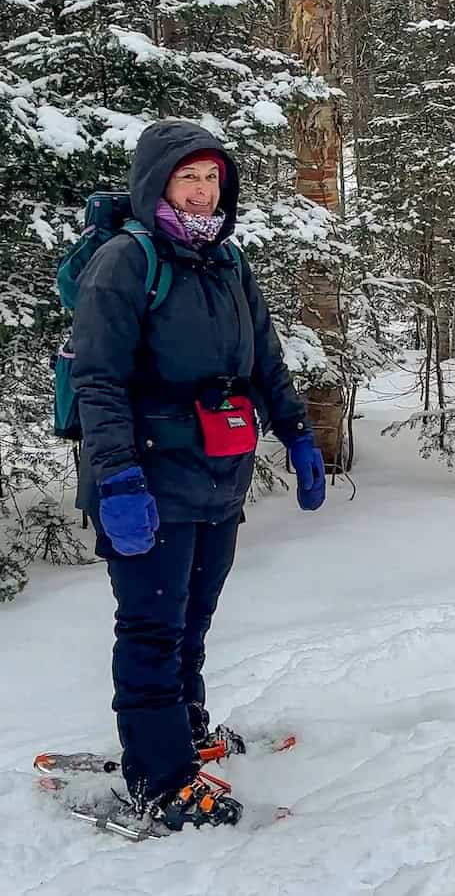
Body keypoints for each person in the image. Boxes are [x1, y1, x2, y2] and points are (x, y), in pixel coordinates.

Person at [71, 120, 326, 830]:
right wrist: (117, 479)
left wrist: (298, 436)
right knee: (152, 629)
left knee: (192, 621)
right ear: (157, 182)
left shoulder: (227, 260)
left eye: (213, 177)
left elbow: (265, 362)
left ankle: (183, 732)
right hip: (147, 480)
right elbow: (98, 379)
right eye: (189, 177)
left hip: (218, 476)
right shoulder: (128, 261)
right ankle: (159, 782)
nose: (203, 189)